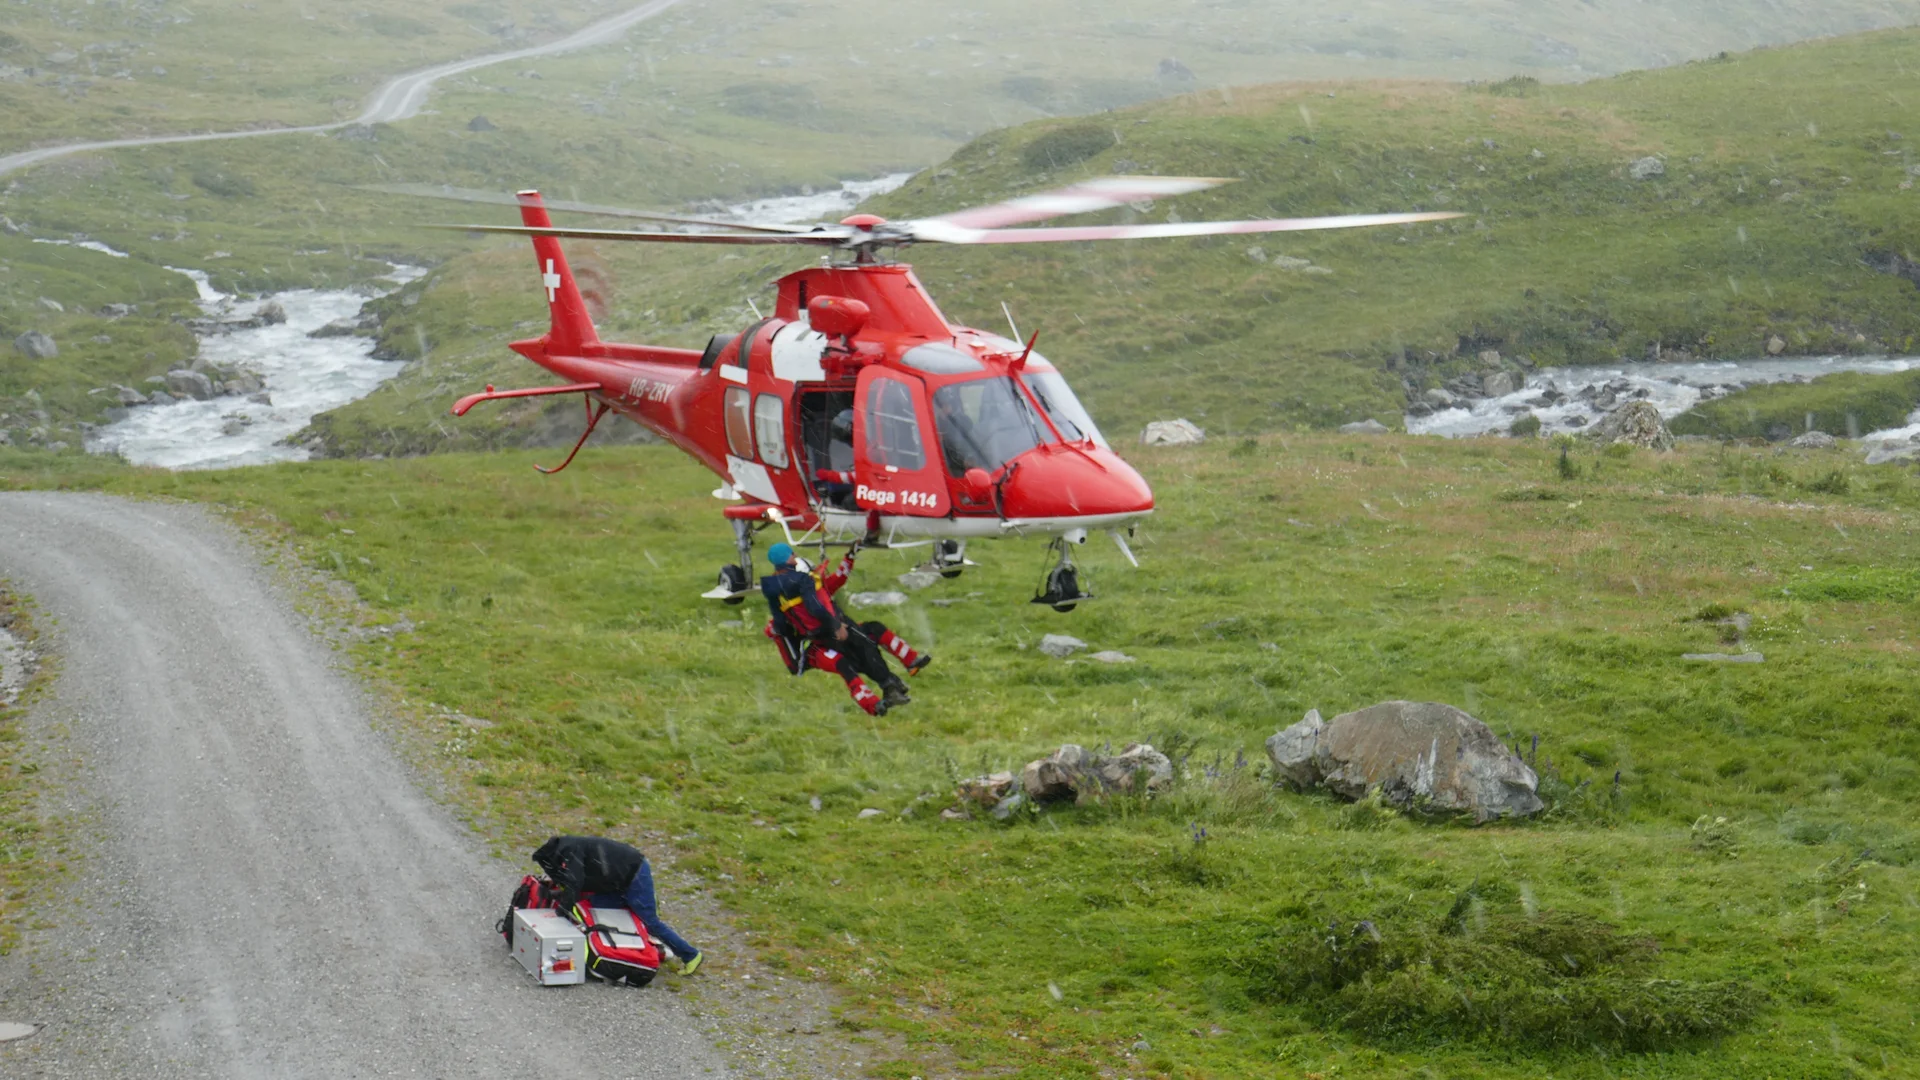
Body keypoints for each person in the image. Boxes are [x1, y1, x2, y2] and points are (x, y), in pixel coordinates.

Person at [761, 541, 929, 714]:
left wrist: (849, 557)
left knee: (871, 635)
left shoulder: (786, 594)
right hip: (827, 638)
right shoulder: (806, 592)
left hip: (826, 636)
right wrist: (835, 625)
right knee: (858, 654)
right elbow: (815, 609)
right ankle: (887, 689)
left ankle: (902, 673)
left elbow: (837, 579)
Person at [531, 834, 703, 974]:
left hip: (634, 874)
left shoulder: (570, 851)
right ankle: (627, 950)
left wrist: (560, 911)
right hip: (615, 880)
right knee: (593, 906)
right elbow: (576, 881)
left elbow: (575, 882)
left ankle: (690, 955)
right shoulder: (566, 847)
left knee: (650, 922)